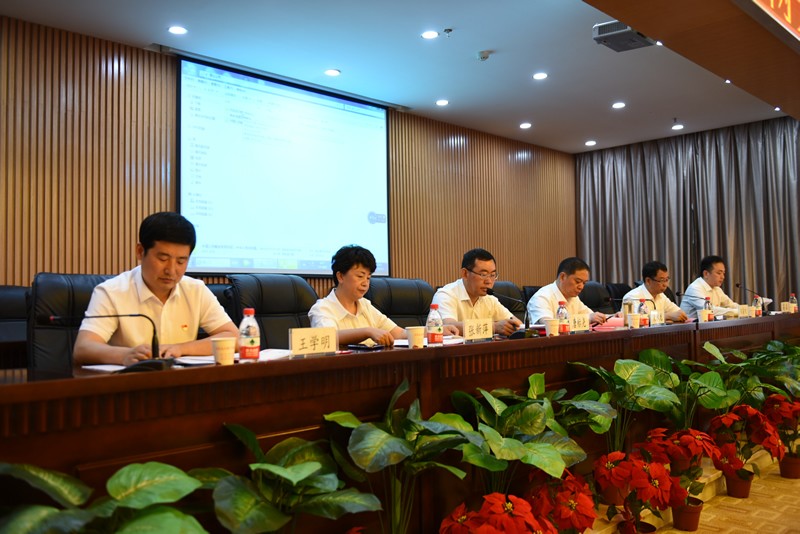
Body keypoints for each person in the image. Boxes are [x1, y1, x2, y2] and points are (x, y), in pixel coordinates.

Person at [74, 212, 239, 366]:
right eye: (163, 259)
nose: (171, 270)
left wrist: (180, 348)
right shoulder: (111, 292)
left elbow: (234, 337)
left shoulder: (195, 290)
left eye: (181, 261)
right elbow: (83, 348)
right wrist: (124, 355)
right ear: (140, 251)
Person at [308, 245, 407, 346]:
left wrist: (415, 333)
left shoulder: (365, 305)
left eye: (368, 278)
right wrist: (367, 332)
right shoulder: (322, 308)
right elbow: (327, 337)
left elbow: (398, 333)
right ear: (340, 276)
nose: (365, 283)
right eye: (360, 276)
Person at [431, 248, 522, 337]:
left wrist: (515, 327)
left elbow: (517, 324)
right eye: (483, 274)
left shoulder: (490, 299)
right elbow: (449, 327)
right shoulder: (445, 295)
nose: (489, 281)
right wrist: (493, 327)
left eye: (492, 275)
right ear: (465, 274)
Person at [527, 257, 608, 325]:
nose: (581, 287)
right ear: (562, 277)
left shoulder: (573, 298)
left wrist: (610, 317)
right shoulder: (541, 297)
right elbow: (549, 325)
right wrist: (587, 319)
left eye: (584, 283)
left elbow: (592, 316)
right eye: (578, 281)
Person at [622, 261, 689, 323]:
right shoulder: (632, 297)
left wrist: (678, 315)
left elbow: (679, 313)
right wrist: (667, 316)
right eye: (662, 280)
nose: (665, 285)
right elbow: (636, 320)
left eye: (666, 280)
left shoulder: (661, 295)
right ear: (648, 281)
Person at [680, 255, 739, 319]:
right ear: (706, 274)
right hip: (691, 325)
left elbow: (731, 305)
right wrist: (736, 312)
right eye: (719, 273)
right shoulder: (695, 288)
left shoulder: (717, 289)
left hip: (709, 324)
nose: (723, 277)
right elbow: (709, 310)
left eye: (723, 273)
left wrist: (744, 310)